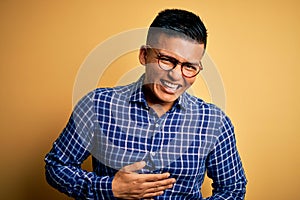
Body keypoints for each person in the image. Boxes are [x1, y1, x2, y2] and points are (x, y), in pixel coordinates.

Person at [45, 9, 247, 199]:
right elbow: (56, 165)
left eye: (189, 66)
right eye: (166, 60)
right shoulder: (97, 106)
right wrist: (110, 188)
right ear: (144, 55)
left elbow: (233, 187)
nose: (176, 76)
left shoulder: (214, 122)